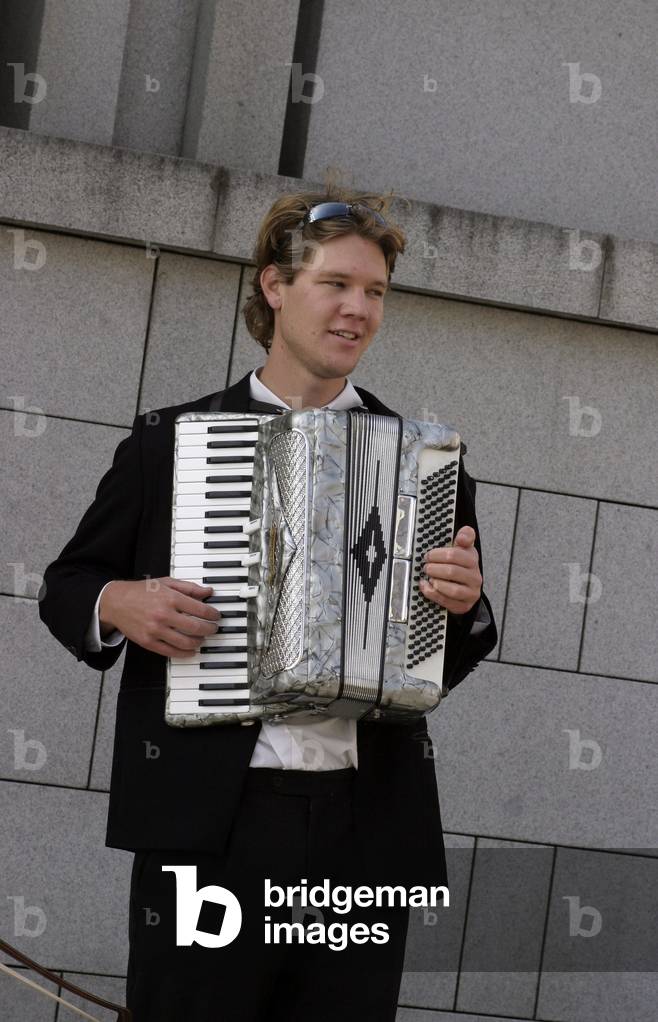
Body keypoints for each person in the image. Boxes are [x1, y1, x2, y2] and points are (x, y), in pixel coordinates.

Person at [39, 185, 498, 1021]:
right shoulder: (168, 444)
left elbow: (452, 650)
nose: (360, 310)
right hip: (212, 829)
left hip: (363, 837)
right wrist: (118, 601)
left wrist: (462, 608)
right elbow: (67, 583)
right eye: (337, 284)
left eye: (377, 292)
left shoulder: (427, 466)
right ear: (275, 287)